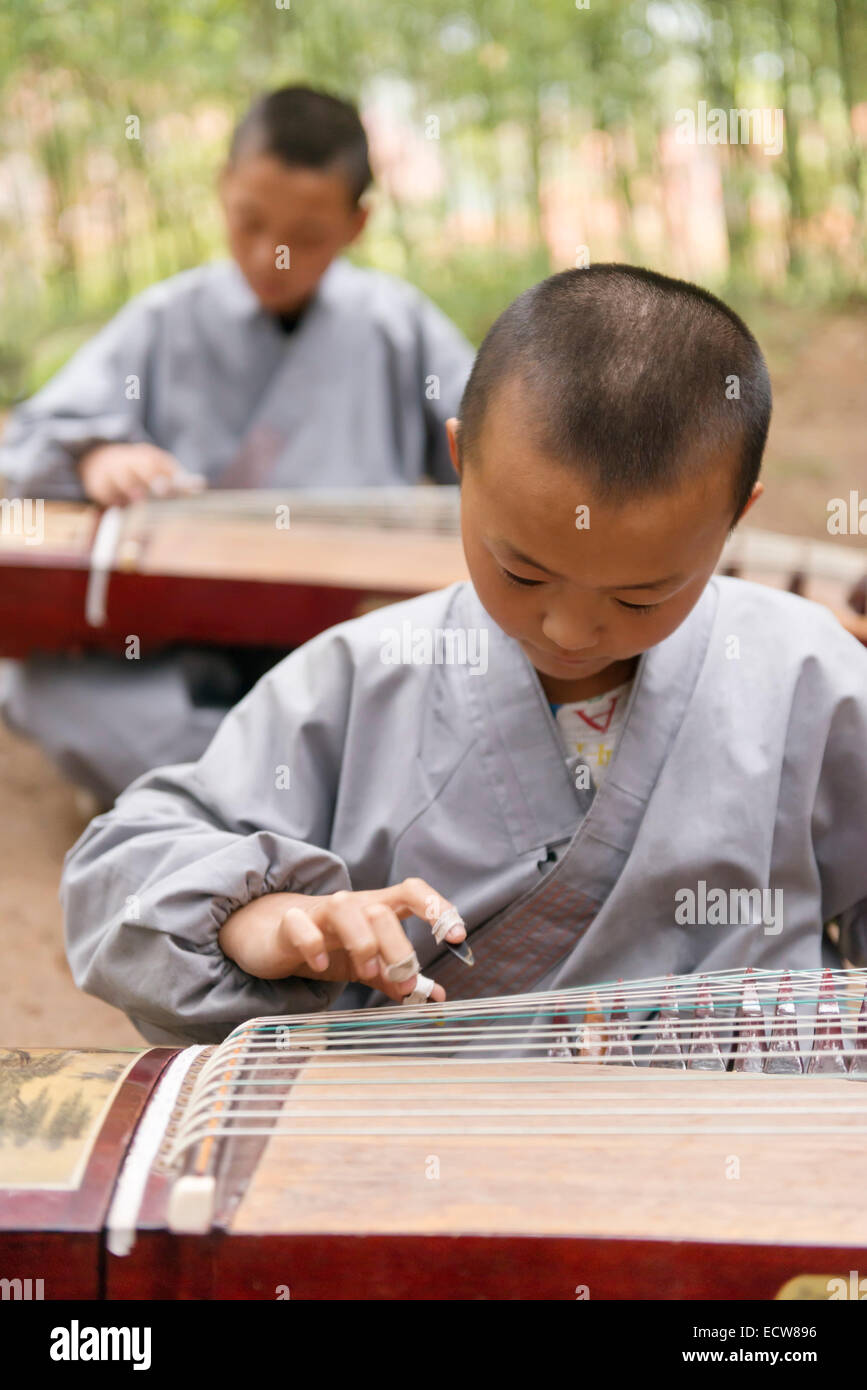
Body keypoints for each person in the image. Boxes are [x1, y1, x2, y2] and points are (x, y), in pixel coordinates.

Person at [61, 264, 867, 1045]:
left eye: (639, 596)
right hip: (426, 1152)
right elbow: (122, 865)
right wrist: (262, 919)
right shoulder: (358, 678)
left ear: (734, 517)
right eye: (523, 570)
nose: (568, 629)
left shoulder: (806, 677)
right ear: (458, 461)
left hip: (751, 1148)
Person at [0, 85, 473, 801]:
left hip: (349, 630)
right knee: (48, 687)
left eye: (306, 237)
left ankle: (183, 798)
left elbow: (494, 443)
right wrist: (98, 456)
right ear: (223, 189)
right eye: (249, 221)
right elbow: (31, 448)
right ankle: (294, 797)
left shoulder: (396, 324)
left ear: (356, 224)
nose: (270, 255)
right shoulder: (166, 315)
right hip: (171, 636)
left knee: (449, 689)